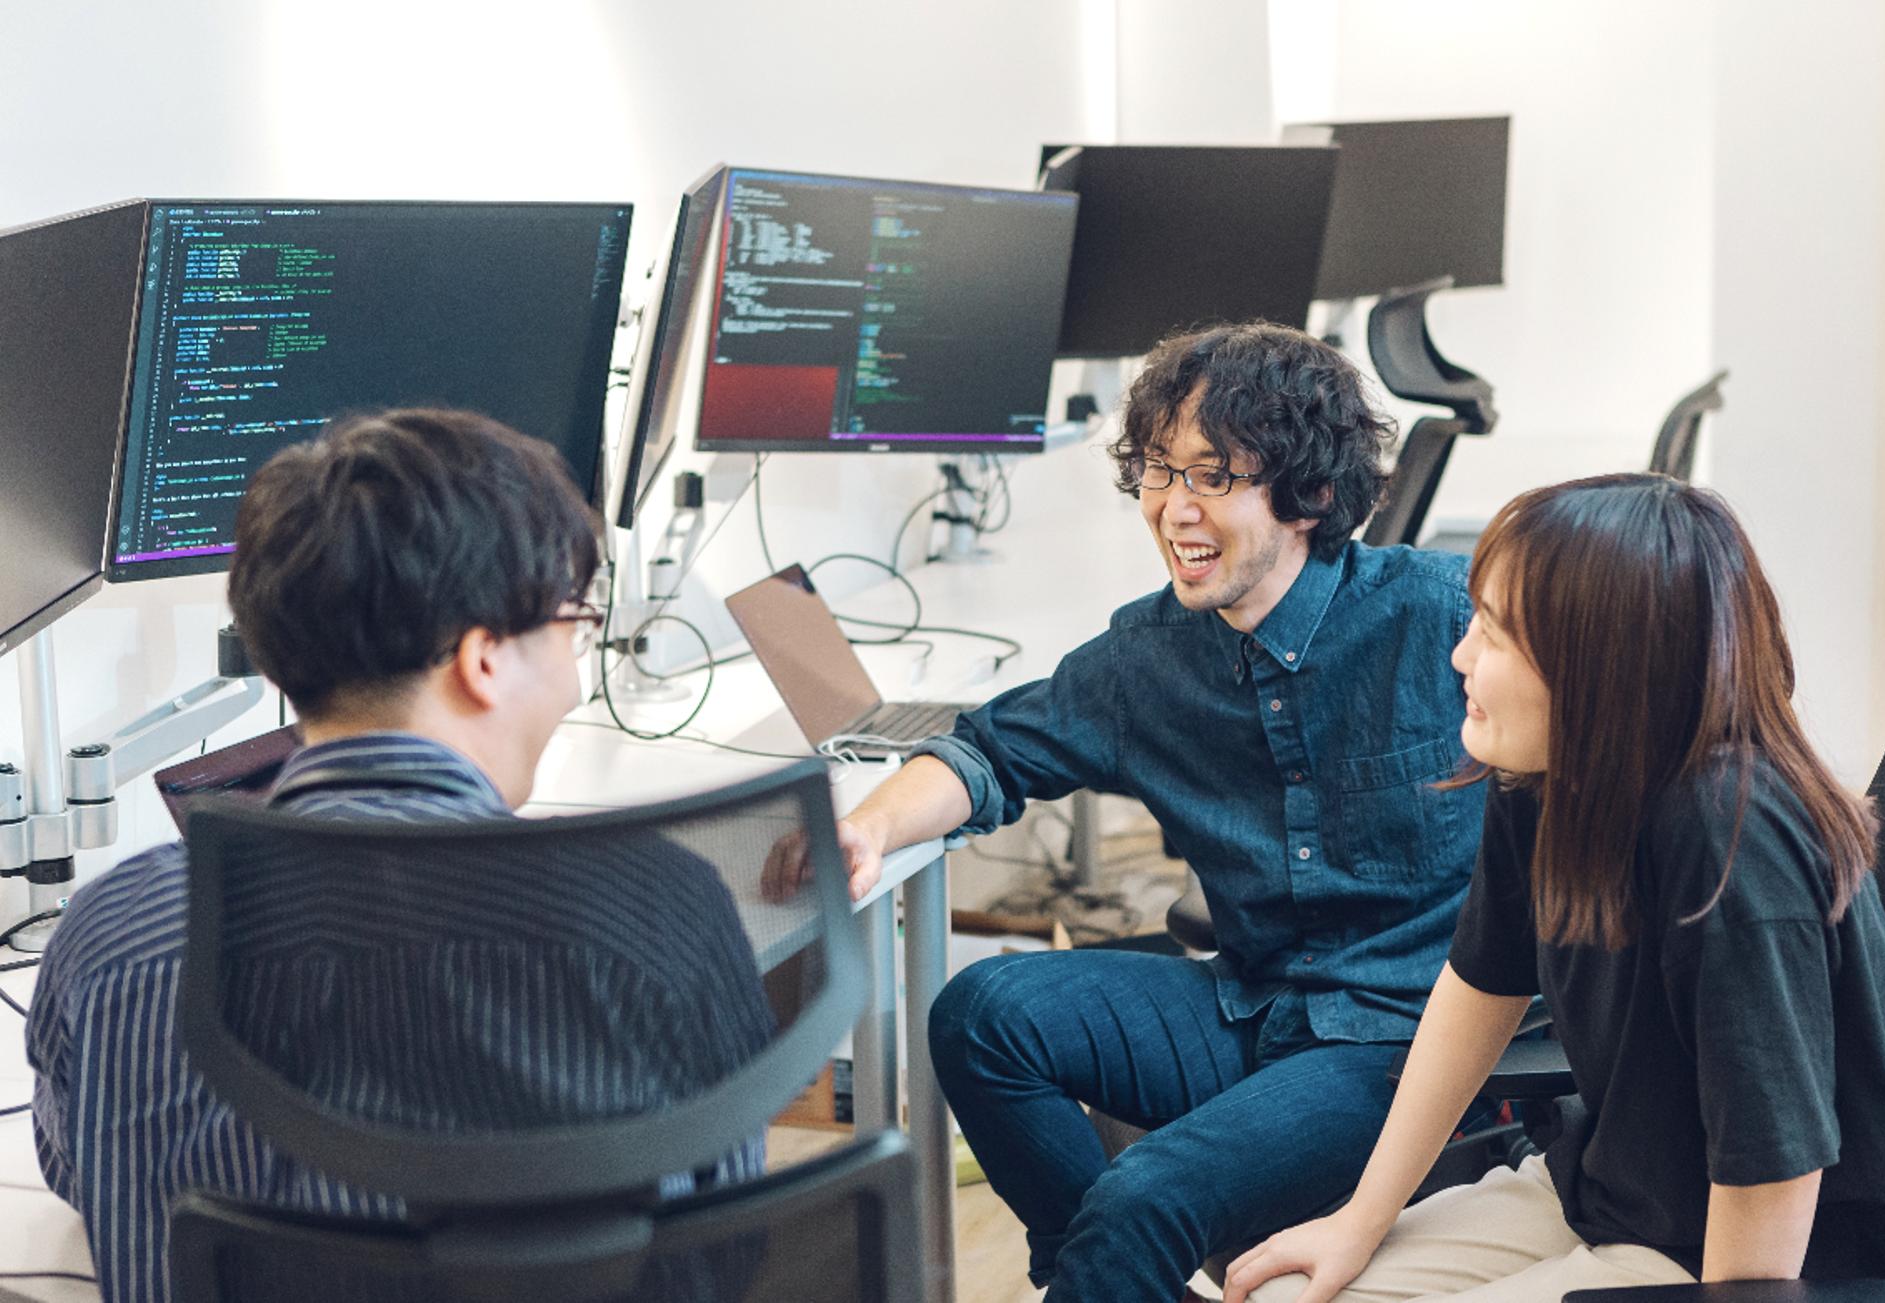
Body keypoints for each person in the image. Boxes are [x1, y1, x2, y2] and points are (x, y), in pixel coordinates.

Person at [790, 322, 1486, 1300]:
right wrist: (867, 827)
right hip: (1253, 1001)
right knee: (983, 1014)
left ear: (1311, 495)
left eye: (1213, 475)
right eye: (1160, 470)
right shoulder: (1148, 657)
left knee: (1140, 1198)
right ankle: (1105, 1274)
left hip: (1402, 1042)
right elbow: (988, 752)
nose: (1173, 507)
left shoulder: (1444, 616)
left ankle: (1106, 1266)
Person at [28, 409, 773, 1303]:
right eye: (572, 627)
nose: (576, 680)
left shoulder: (113, 929)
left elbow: (79, 1169)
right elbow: (724, 1242)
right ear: (483, 659)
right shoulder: (657, 907)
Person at [1224, 473, 1885, 1303]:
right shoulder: (1544, 767)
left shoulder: (1728, 846)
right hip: (1614, 1187)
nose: (1460, 657)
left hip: (1743, 1253)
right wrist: (1359, 1219)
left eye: (1493, 634)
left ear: (1594, 665)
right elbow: (1479, 987)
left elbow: (1775, 1172)